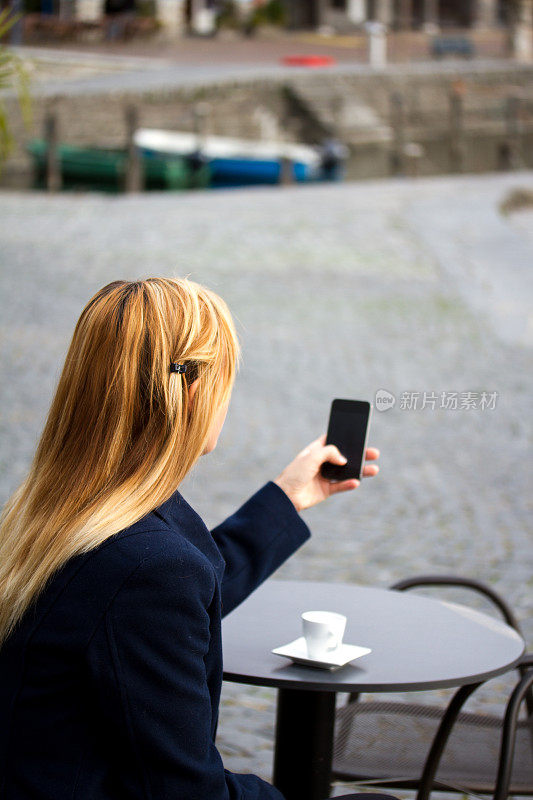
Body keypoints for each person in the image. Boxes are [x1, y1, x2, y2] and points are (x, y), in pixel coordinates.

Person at [0, 277, 382, 800]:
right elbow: (187, 792)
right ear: (195, 391)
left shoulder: (53, 509)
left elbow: (175, 583)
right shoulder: (145, 568)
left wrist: (288, 497)